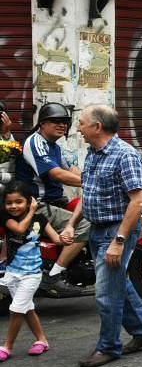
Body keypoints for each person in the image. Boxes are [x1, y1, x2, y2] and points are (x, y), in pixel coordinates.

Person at [69, 105, 142, 367]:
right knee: (118, 284)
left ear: (97, 127)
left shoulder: (125, 155)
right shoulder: (93, 154)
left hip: (115, 230)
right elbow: (88, 194)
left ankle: (108, 347)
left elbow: (137, 202)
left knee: (106, 294)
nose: (78, 128)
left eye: (82, 123)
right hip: (97, 229)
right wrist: (72, 224)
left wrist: (118, 241)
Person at [15, 103, 90, 295]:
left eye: (64, 121)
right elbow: (56, 173)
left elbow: (70, 169)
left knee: (90, 209)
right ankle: (55, 275)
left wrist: (96, 177)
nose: (62, 125)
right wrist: (91, 182)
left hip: (55, 202)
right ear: (42, 124)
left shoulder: (54, 147)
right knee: (86, 225)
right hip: (36, 205)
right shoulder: (36, 142)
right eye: (56, 121)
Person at [0, 181, 63, 362]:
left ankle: (7, 346)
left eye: (19, 202)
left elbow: (56, 239)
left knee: (17, 309)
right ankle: (42, 341)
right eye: (9, 202)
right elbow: (20, 229)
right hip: (12, 273)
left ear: (28, 201)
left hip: (32, 274)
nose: (13, 206)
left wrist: (67, 236)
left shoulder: (41, 220)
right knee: (26, 308)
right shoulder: (7, 219)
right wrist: (32, 211)